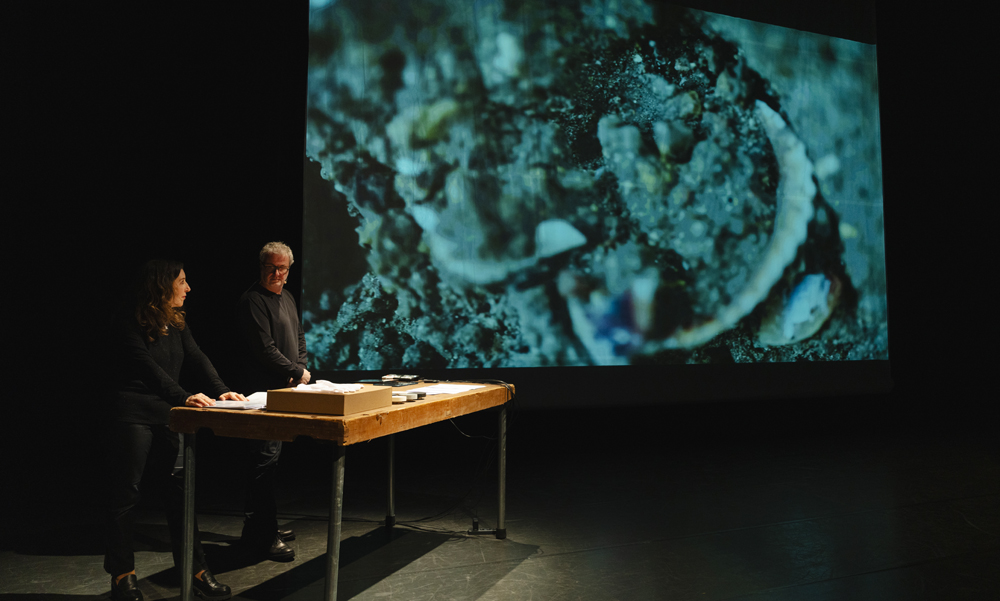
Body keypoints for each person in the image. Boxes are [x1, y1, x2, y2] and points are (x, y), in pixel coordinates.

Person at [105, 260, 245, 601]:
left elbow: (197, 356)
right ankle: (123, 575)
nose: (188, 287)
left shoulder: (177, 321)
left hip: (169, 413)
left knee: (181, 495)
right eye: (182, 281)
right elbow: (148, 368)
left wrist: (220, 388)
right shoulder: (129, 320)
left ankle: (195, 570)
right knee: (127, 494)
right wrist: (183, 397)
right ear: (162, 285)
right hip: (134, 412)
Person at [234, 241, 308, 561]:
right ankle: (264, 536)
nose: (277, 274)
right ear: (261, 267)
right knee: (263, 463)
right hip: (262, 396)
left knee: (271, 463)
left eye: (283, 269)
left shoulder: (287, 297)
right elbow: (264, 349)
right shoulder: (252, 300)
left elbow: (299, 338)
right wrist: (295, 371)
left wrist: (299, 369)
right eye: (271, 268)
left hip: (286, 392)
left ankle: (262, 528)